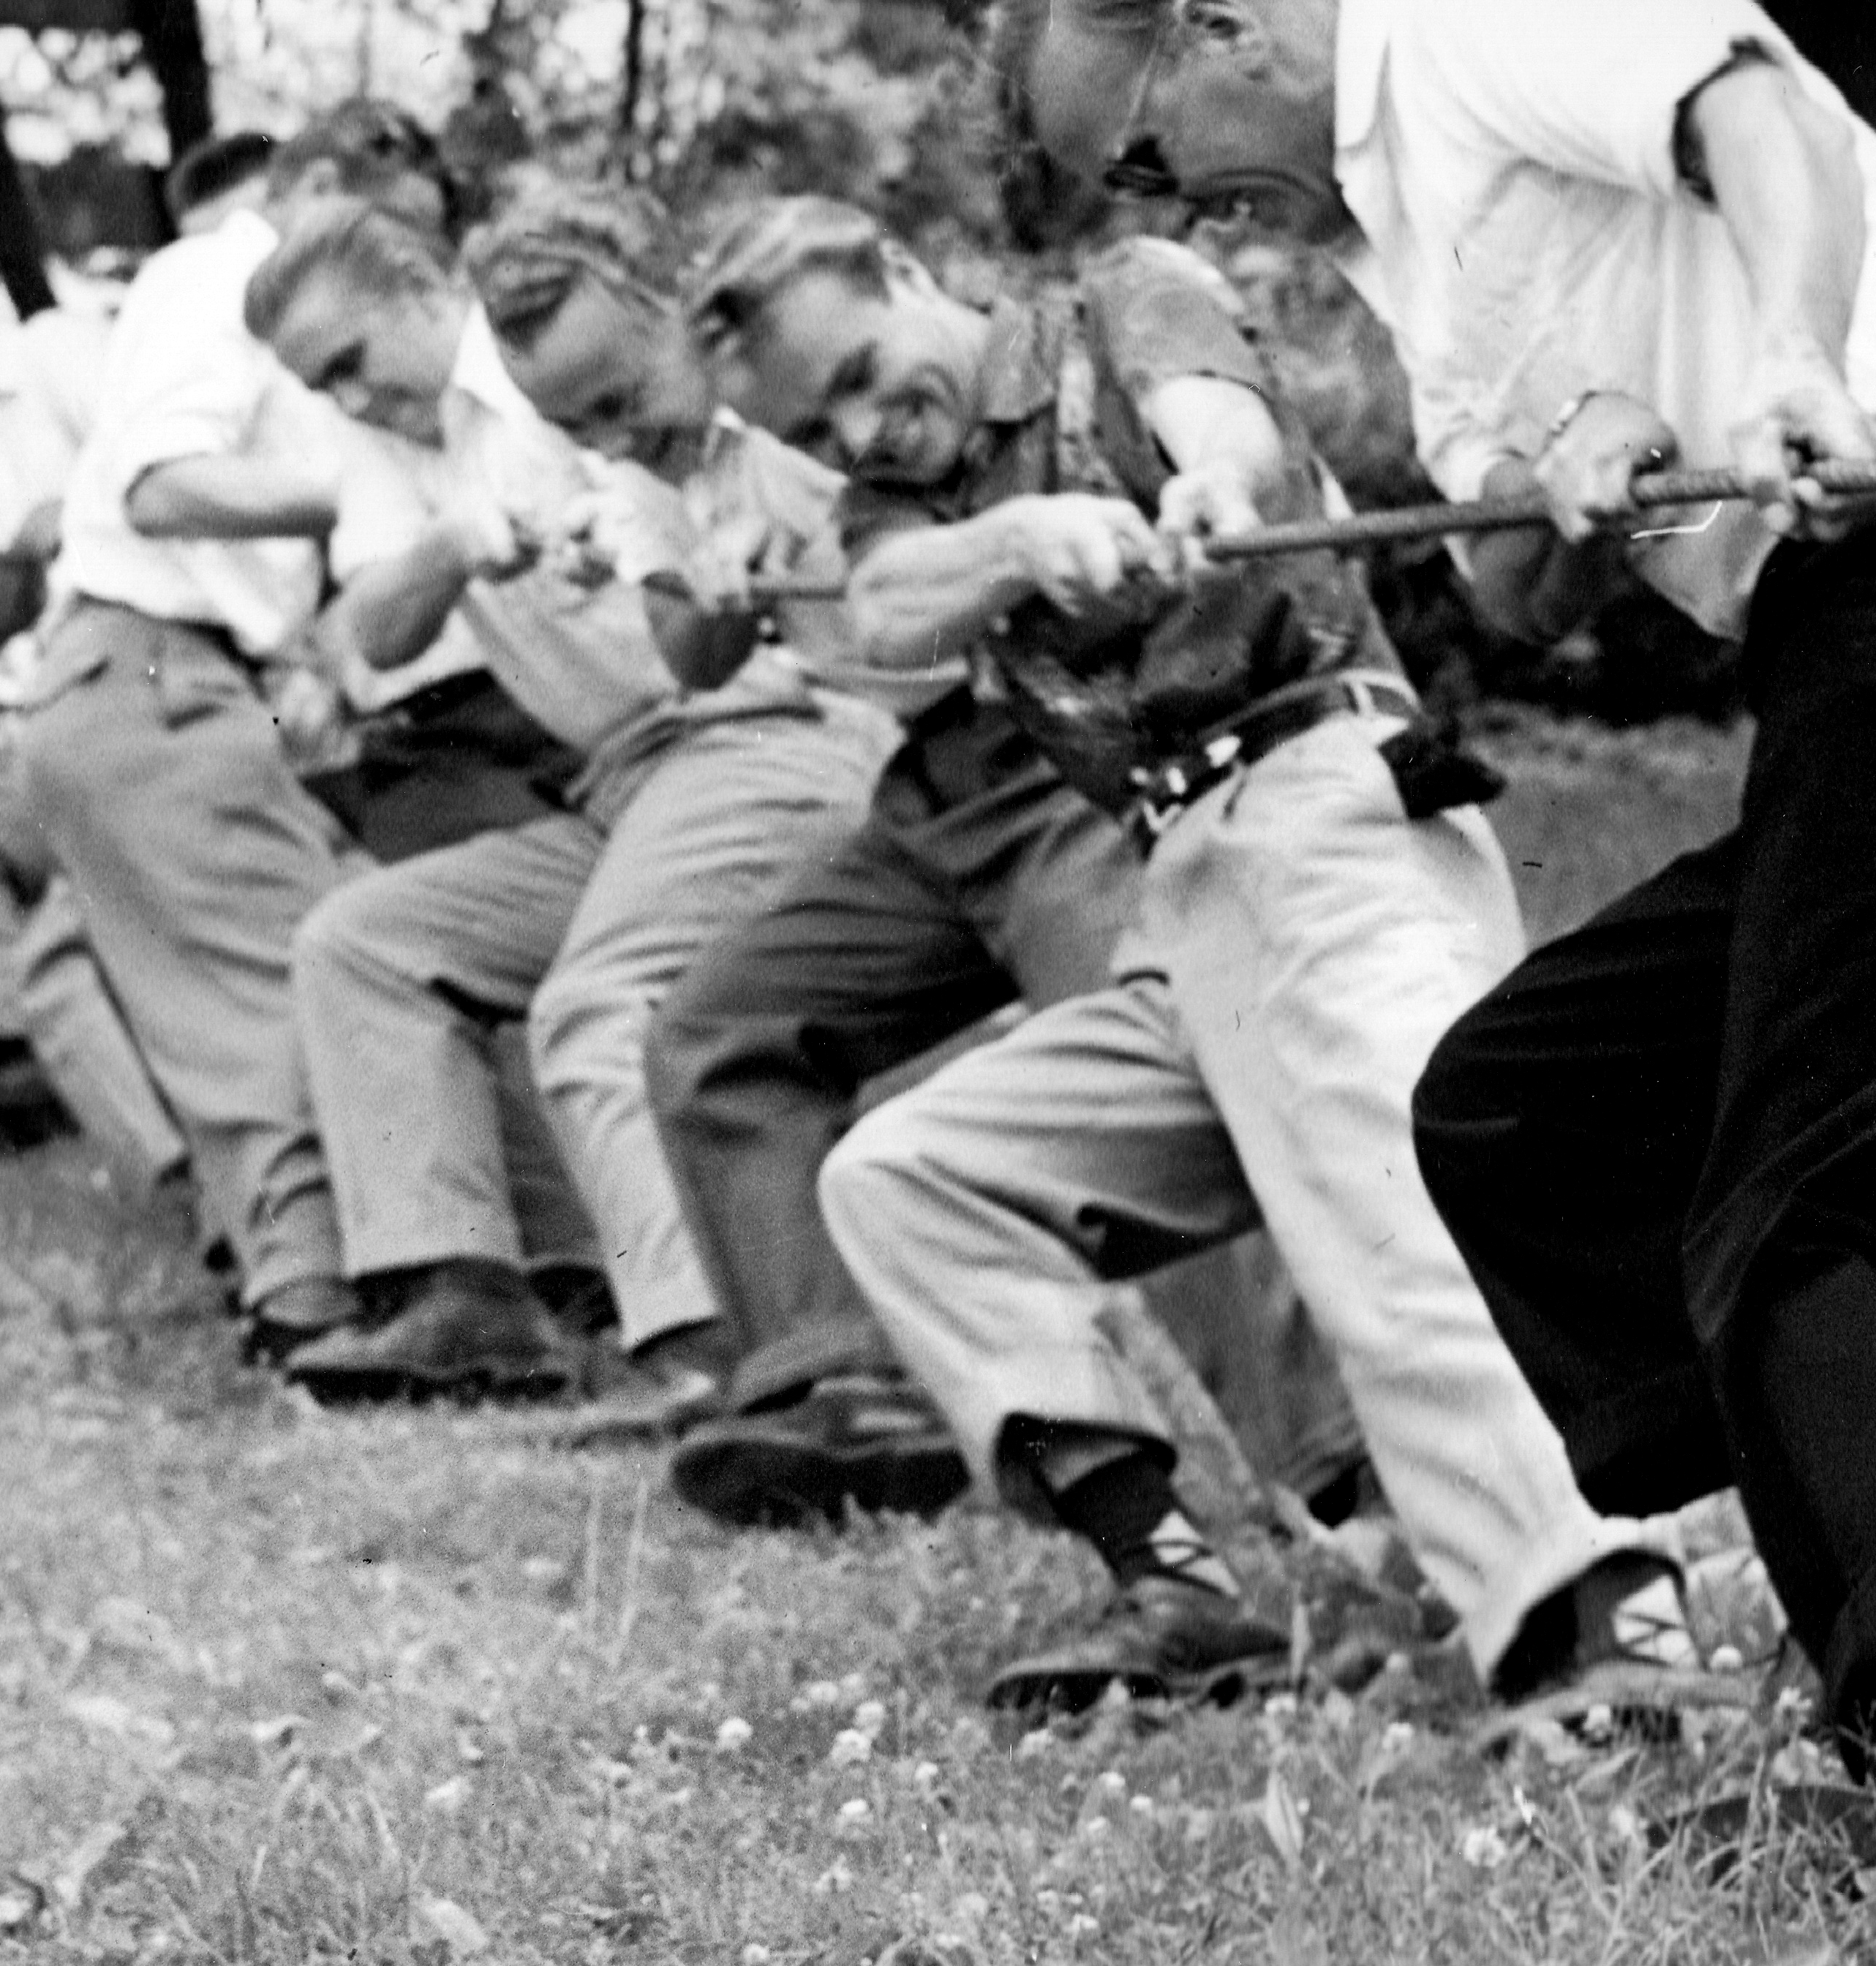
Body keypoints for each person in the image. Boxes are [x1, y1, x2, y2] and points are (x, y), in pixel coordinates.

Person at [988, 0, 1876, 1902]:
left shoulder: (1486, 6)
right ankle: (1870, 1595)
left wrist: (1802, 362)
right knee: (1531, 1109)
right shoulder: (1416, 243)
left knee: (1802, 1225)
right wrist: (1575, 470)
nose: (1177, 206)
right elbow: (1519, 579)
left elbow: (1761, 114)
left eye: (1149, 154)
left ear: (1215, 25)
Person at [694, 195, 1694, 1722]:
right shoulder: (902, 510)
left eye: (859, 372)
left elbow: (1215, 420)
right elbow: (893, 604)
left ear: (906, 271)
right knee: (907, 1178)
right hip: (1186, 890)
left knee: (1400, 1205)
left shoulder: (1113, 302)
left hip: (1328, 808)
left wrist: (1208, 488)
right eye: (817, 430)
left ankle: (1620, 1635)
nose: (860, 432)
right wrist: (1025, 539)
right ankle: (1176, 1588)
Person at [471, 189, 1371, 1532]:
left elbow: (961, 561)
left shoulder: (932, 375)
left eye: (622, 392)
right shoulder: (682, 468)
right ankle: (848, 1390)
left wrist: (1055, 534)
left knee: (1164, 1062)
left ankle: (1338, 1472)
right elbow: (729, 643)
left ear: (681, 310)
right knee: (718, 1032)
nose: (617, 433)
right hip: (926, 792)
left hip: (1065, 757)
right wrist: (712, 606)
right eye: (580, 425)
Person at [250, 189, 902, 1415]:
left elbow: (737, 500)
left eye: (349, 361)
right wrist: (456, 545)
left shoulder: (565, 370)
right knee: (366, 943)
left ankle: (711, 1349)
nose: (345, 398)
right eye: (317, 386)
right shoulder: (396, 448)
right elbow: (370, 641)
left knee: (598, 1003)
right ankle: (458, 1298)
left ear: (427, 293)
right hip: (625, 785)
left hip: (753, 735)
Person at [11, 104, 481, 1360]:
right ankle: (314, 1290)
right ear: (320, 184)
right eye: (387, 234)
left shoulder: (248, 297)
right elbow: (158, 484)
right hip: (150, 668)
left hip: (156, 678)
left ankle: (296, 1284)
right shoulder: (219, 272)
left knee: (222, 996)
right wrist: (383, 496)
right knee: (279, 983)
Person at [0, 145, 279, 1173]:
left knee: (81, 922)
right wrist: (5, 554)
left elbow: (160, 454)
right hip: (72, 705)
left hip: (170, 664)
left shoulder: (49, 356)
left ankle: (189, 1162)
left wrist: (70, 509)